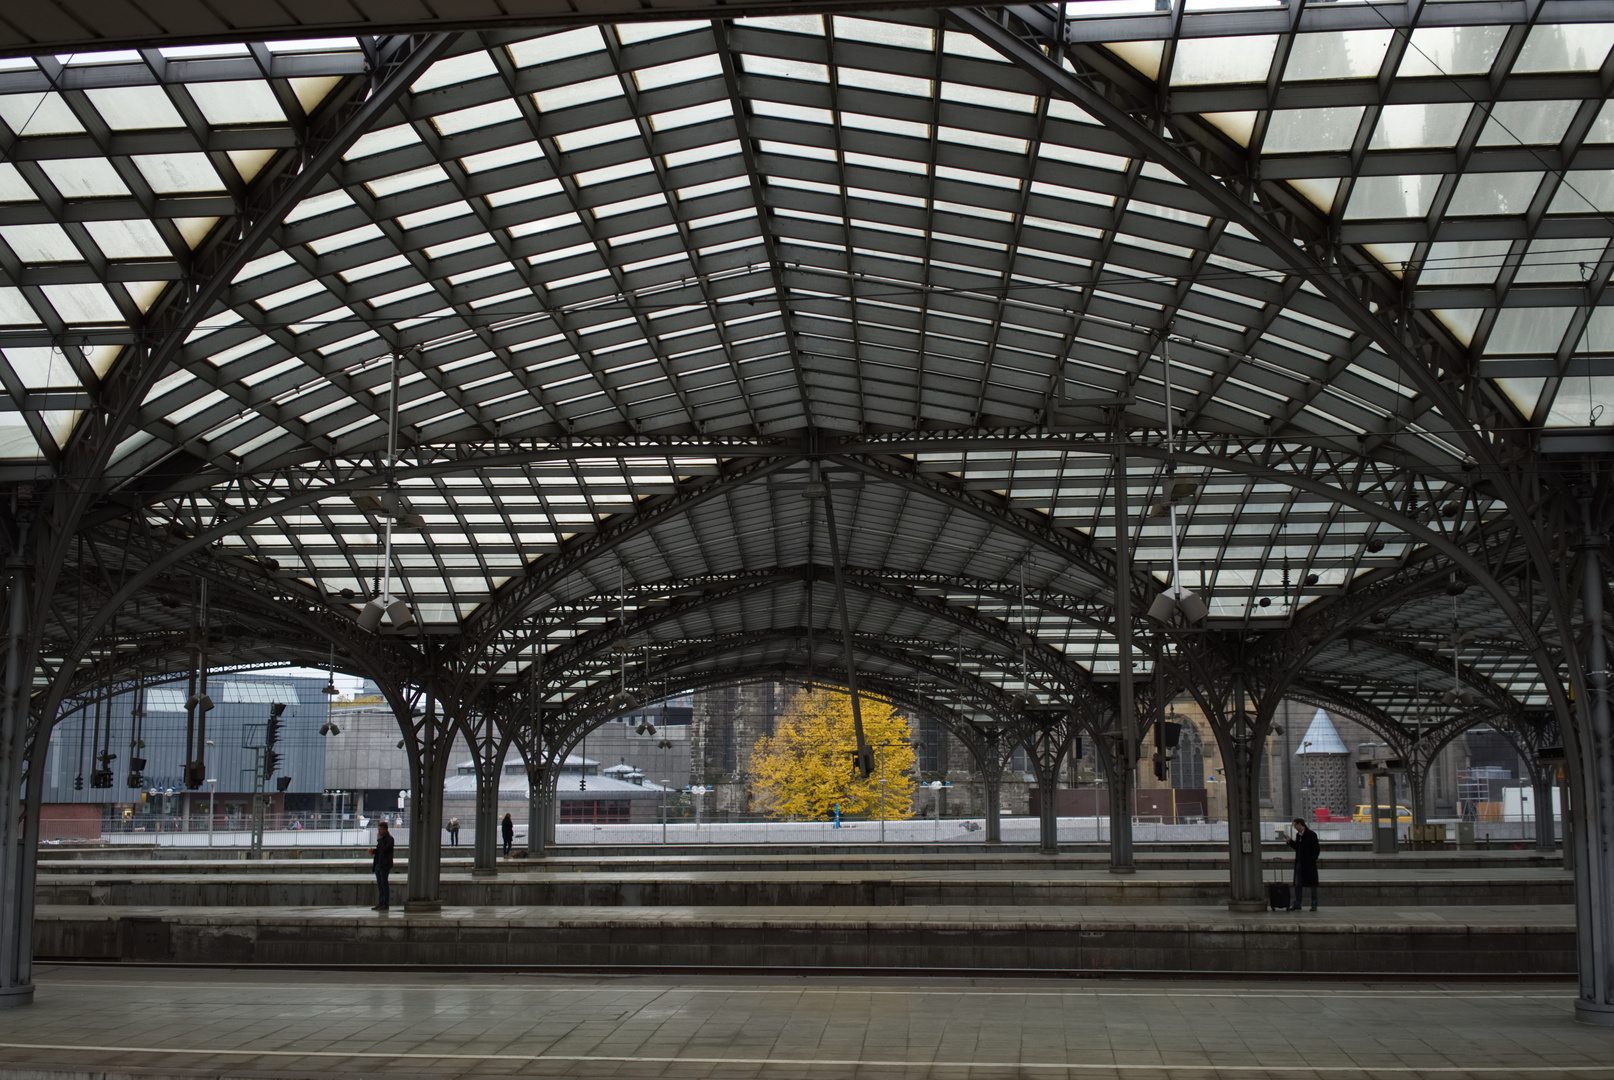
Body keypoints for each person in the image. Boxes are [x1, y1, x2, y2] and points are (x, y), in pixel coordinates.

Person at [1281, 817, 1320, 911]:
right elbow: (1297, 848)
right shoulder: (1298, 835)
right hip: (1300, 862)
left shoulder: (1311, 834)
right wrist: (1290, 841)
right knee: (1298, 884)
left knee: (1312, 885)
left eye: (1295, 825)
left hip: (1309, 864)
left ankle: (1314, 904)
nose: (1294, 827)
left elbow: (1316, 849)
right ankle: (1297, 903)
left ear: (1300, 824)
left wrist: (1311, 859)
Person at [370, 820, 394, 911]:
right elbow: (379, 850)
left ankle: (385, 903)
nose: (379, 831)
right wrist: (373, 851)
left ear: (385, 830)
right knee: (380, 884)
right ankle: (380, 902)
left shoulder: (390, 839)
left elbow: (385, 849)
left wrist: (379, 840)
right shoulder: (382, 840)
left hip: (384, 865)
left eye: (380, 829)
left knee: (384, 884)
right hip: (378, 864)